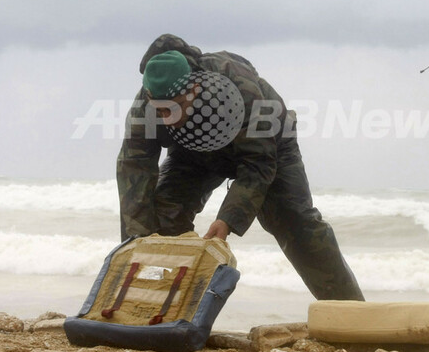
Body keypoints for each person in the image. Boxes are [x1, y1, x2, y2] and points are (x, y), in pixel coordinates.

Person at [117, 33, 365, 301]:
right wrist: (138, 242)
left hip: (268, 146)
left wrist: (227, 219)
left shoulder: (238, 86)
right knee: (161, 217)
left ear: (195, 89)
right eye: (160, 111)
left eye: (174, 109)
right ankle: (153, 305)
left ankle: (350, 310)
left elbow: (257, 163)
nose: (167, 120)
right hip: (193, 153)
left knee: (296, 223)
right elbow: (134, 170)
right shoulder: (146, 105)